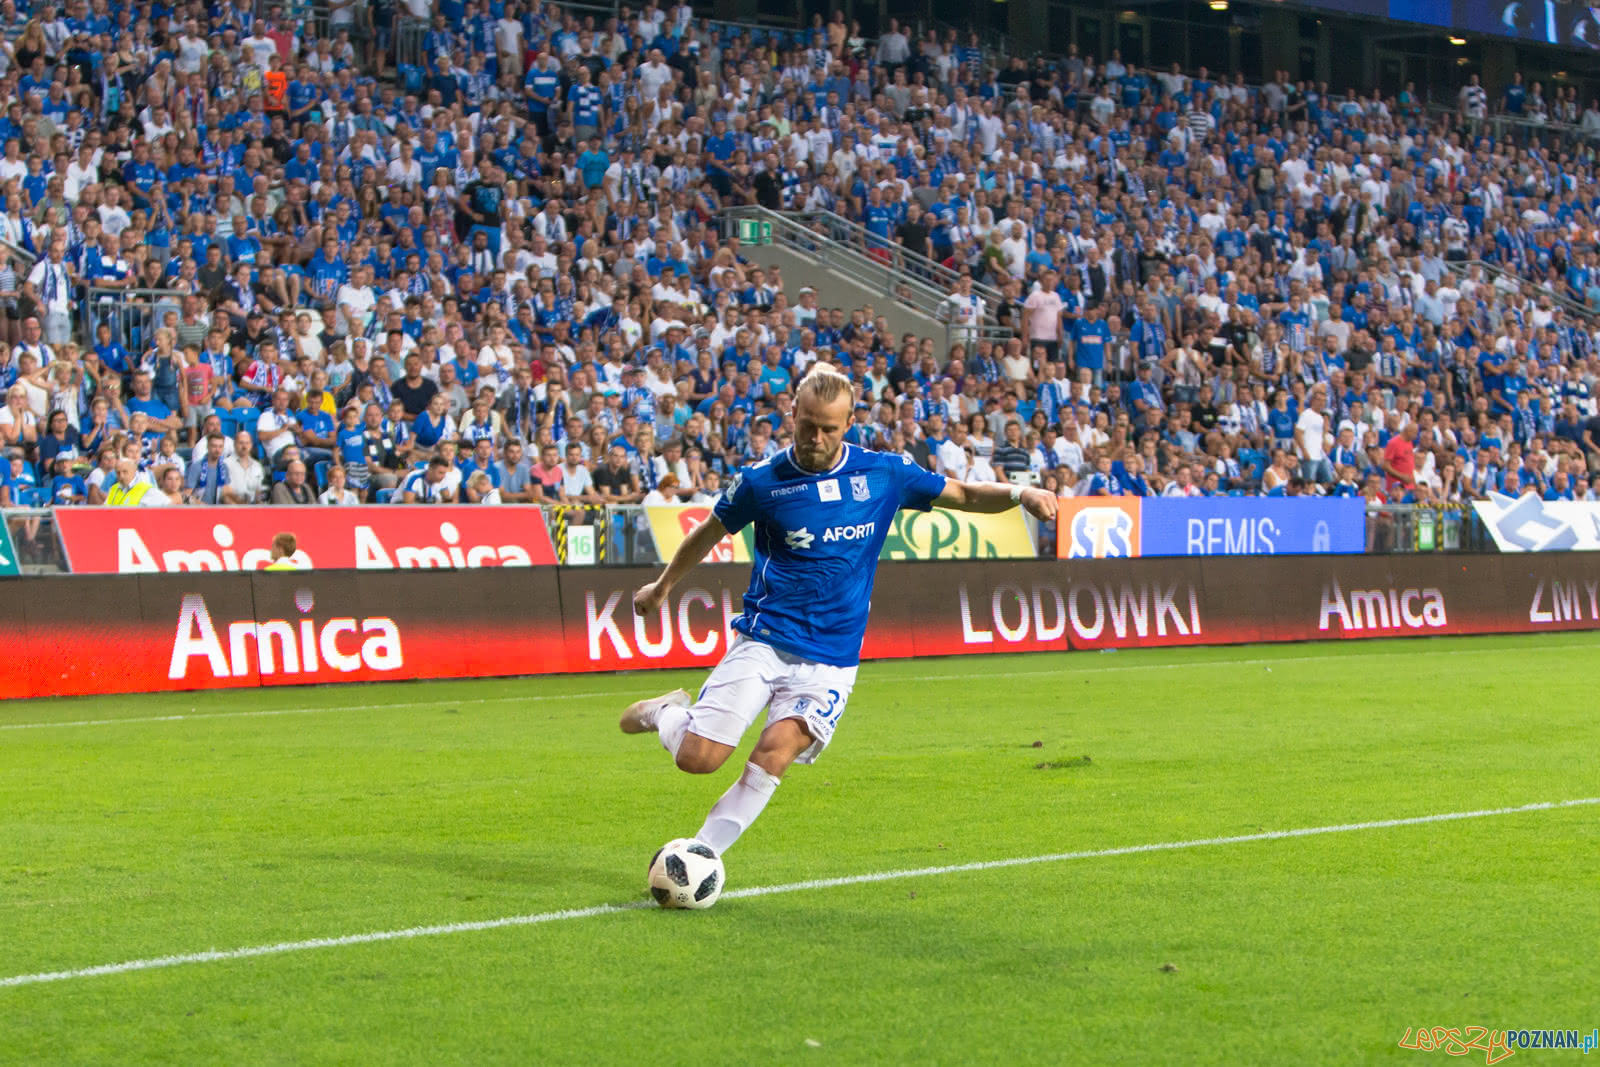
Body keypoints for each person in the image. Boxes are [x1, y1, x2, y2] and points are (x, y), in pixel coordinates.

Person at [618, 367, 1056, 855]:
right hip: (765, 641)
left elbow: (966, 494)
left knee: (774, 754)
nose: (817, 438)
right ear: (793, 415)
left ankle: (700, 856)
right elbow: (709, 532)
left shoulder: (884, 473)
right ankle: (668, 713)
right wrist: (661, 587)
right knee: (699, 759)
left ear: (850, 422)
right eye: (808, 425)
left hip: (832, 660)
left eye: (829, 427)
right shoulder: (762, 483)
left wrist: (1023, 494)